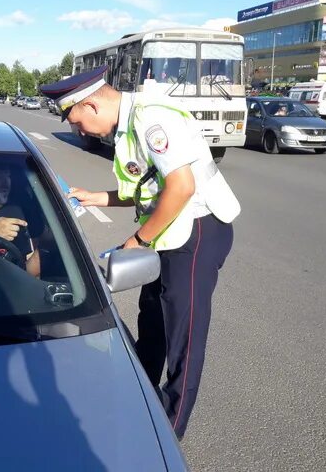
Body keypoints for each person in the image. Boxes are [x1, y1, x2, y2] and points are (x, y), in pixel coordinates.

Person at [40, 66, 240, 440]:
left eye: (77, 122)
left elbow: (180, 188)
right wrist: (97, 197)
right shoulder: (128, 124)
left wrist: (138, 242)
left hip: (196, 231)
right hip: (168, 230)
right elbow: (149, 188)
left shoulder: (152, 119)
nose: (78, 131)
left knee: (183, 339)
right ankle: (139, 401)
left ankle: (167, 434)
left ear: (92, 104)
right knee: (152, 325)